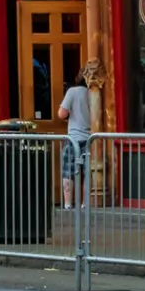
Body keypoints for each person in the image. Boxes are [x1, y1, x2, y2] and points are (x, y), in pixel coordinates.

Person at [57, 71, 92, 209]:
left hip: (74, 138)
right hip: (90, 138)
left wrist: (71, 112)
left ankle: (67, 204)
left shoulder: (72, 92)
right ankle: (85, 203)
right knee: (87, 172)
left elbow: (61, 114)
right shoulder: (93, 93)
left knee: (68, 171)